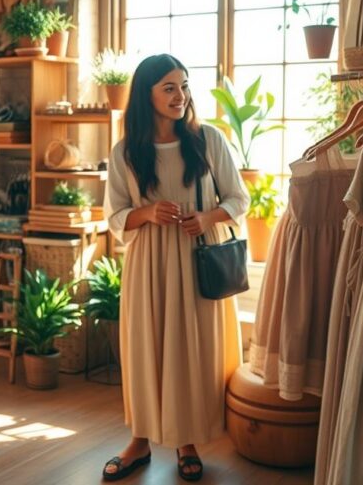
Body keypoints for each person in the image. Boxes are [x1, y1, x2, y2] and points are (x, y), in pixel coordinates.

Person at [102, 54, 249, 482]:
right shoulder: (126, 151)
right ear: (146, 94)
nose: (180, 96)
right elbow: (115, 215)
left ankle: (187, 441)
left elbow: (240, 200)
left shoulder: (208, 139)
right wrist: (146, 213)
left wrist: (207, 218)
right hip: (149, 264)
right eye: (169, 87)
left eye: (183, 86)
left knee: (192, 353)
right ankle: (140, 441)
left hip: (198, 258)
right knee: (146, 349)